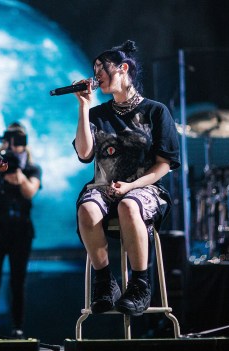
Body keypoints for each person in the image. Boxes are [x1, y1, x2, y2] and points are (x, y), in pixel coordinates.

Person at [72, 40, 180, 316]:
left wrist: (132, 185)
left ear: (122, 68)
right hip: (104, 185)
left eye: (101, 68)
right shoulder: (97, 114)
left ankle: (140, 284)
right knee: (86, 207)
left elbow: (163, 166)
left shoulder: (156, 112)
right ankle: (105, 282)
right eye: (93, 69)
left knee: (129, 205)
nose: (96, 75)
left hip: (144, 188)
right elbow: (84, 154)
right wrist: (84, 107)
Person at [0, 122, 42, 339]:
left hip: (20, 231)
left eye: (19, 139)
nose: (16, 143)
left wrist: (18, 173)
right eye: (11, 138)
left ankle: (18, 327)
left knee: (18, 281)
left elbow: (29, 192)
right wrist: (1, 153)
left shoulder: (32, 169)